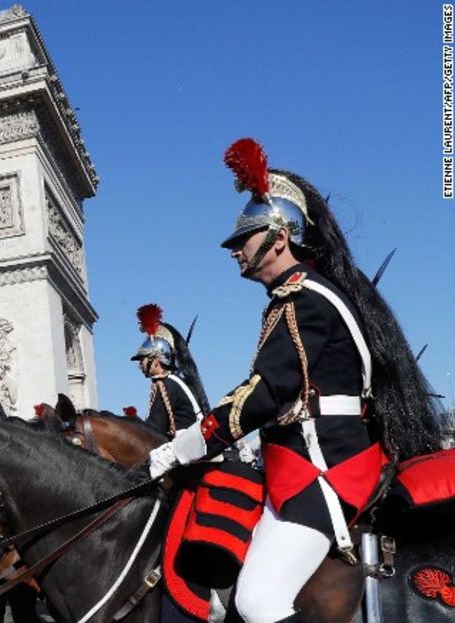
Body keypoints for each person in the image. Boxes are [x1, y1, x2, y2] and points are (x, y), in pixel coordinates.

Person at [148, 139, 443, 623]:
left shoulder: (304, 299)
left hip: (327, 468)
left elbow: (265, 393)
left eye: (244, 238)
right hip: (296, 467)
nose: (235, 250)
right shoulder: (299, 297)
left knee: (259, 601)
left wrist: (185, 445)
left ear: (279, 236)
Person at [131, 305, 211, 438]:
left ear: (155, 360)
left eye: (142, 359)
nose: (140, 365)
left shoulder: (167, 385)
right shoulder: (174, 382)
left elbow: (154, 429)